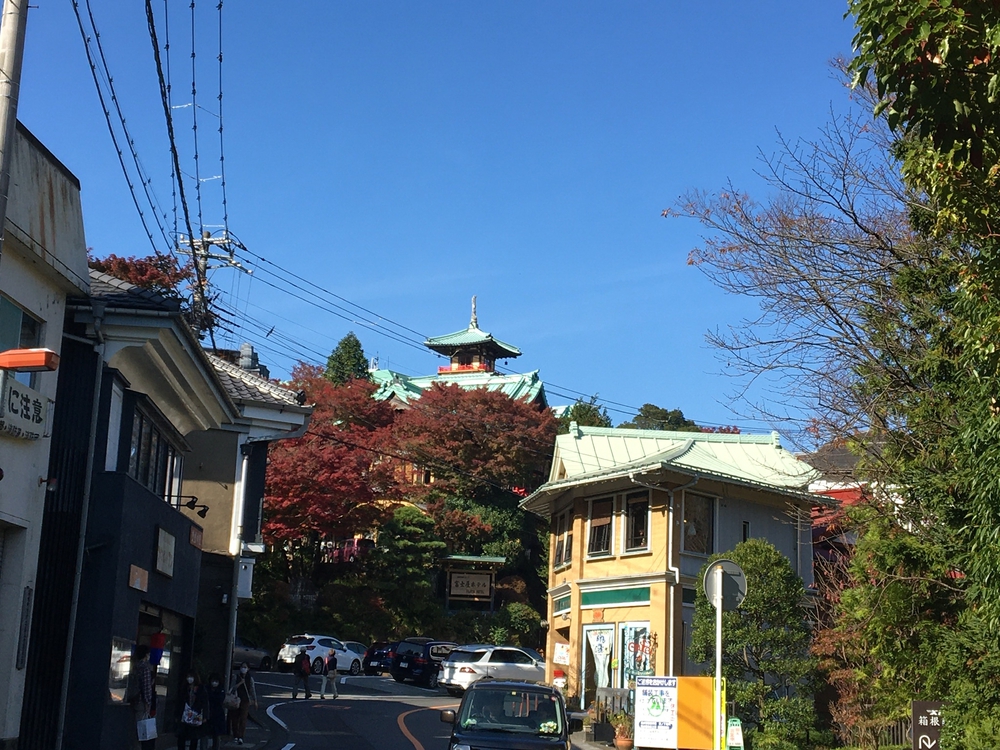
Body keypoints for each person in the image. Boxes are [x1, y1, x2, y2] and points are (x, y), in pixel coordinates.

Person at [130, 645, 156, 750]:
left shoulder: (134, 666)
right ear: (146, 655)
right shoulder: (145, 668)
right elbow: (146, 687)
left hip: (133, 699)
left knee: (133, 730)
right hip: (141, 702)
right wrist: (148, 703)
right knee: (141, 731)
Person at [176, 670, 207, 750]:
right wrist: (177, 715)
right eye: (188, 677)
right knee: (181, 736)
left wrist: (205, 716)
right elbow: (179, 701)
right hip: (184, 714)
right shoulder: (184, 688)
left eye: (191, 677)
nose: (189, 679)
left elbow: (205, 702)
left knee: (194, 737)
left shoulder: (200, 689)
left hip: (195, 714)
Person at [228, 662, 257, 746]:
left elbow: (252, 690)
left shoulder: (250, 679)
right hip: (236, 699)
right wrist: (240, 683)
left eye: (245, 667)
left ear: (248, 669)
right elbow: (232, 688)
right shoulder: (236, 677)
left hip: (245, 700)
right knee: (235, 718)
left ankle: (241, 736)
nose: (243, 669)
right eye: (242, 667)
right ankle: (235, 735)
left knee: (243, 719)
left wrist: (255, 700)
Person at [205, 672, 227, 750]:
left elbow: (220, 700)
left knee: (216, 735)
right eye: (213, 681)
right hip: (208, 713)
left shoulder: (221, 690)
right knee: (205, 734)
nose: (214, 683)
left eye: (216, 681)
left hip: (217, 715)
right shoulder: (206, 689)